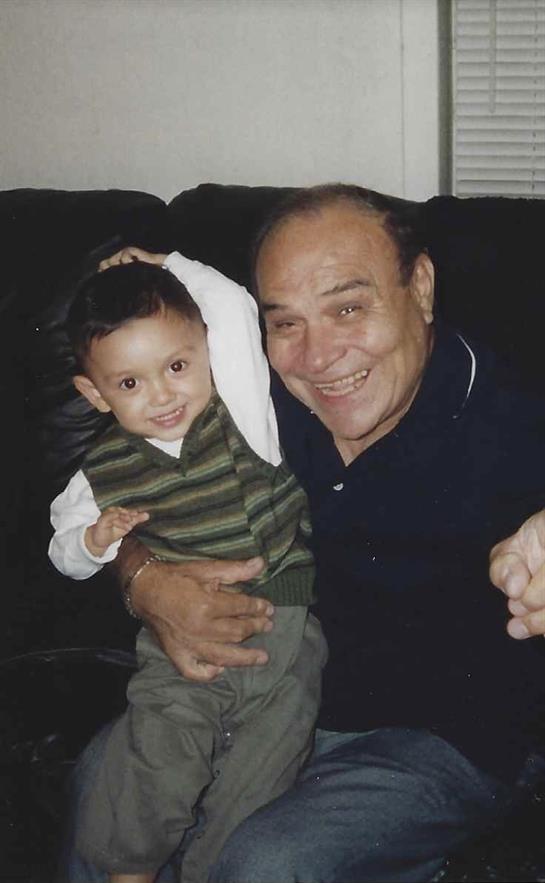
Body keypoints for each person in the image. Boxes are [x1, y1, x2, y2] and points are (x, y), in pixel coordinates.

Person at [63, 184, 545, 883]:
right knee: (101, 794)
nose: (318, 357)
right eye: (285, 322)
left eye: (348, 308)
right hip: (265, 688)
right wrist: (144, 580)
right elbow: (123, 496)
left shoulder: (510, 419)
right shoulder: (244, 400)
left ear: (420, 287)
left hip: (439, 735)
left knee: (264, 863)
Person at [50, 257, 326, 883]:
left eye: (177, 366)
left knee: (263, 776)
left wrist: (165, 263)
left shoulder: (244, 418)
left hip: (285, 637)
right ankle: (129, 871)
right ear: (95, 395)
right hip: (182, 645)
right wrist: (93, 541)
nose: (163, 395)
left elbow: (234, 307)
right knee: (157, 752)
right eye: (130, 383)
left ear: (205, 349)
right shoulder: (102, 472)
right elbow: (62, 548)